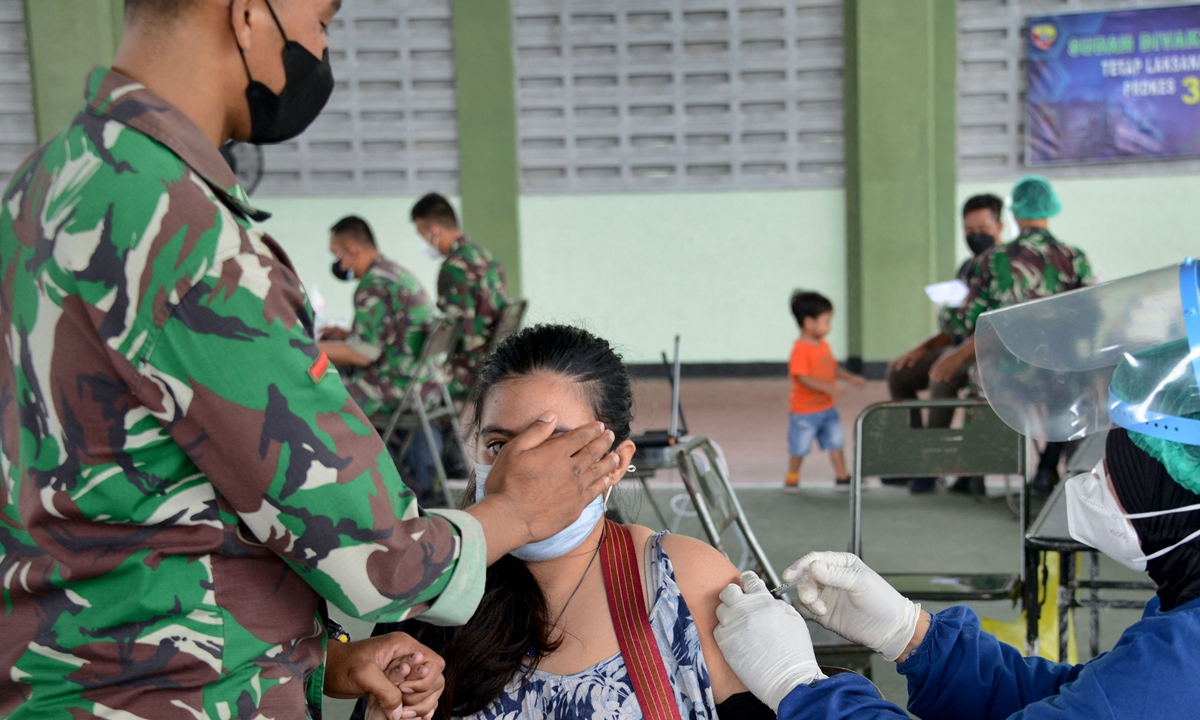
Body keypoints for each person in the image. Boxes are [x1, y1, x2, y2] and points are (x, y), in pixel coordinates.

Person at [0, 2, 624, 717]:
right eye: (322, 20)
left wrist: (318, 661)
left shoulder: (37, 193)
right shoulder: (183, 232)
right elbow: (379, 562)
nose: (323, 46)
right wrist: (513, 511)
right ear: (246, 14)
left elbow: (122, 503)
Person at [712, 262, 1200, 719]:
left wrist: (799, 688)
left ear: (1174, 492)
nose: (1093, 477)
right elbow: (1077, 694)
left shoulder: (1178, 668)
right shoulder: (1177, 632)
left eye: (1117, 462)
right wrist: (914, 636)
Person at [365, 324, 775, 719]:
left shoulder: (684, 584)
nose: (520, 472)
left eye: (555, 445)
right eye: (499, 446)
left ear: (616, 463)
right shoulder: (428, 586)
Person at [941, 176, 1093, 497]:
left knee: (976, 384)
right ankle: (1047, 471)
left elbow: (965, 320)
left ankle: (976, 475)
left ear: (1014, 213)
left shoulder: (992, 260)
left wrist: (947, 312)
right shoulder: (1074, 256)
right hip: (1060, 372)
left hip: (1005, 375)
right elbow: (1093, 314)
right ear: (1050, 208)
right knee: (1066, 395)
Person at [887, 194, 1005, 495]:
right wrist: (922, 348)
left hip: (989, 353)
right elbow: (954, 324)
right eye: (968, 229)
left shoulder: (1007, 268)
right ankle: (916, 455)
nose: (974, 235)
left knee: (942, 377)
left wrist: (954, 356)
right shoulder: (967, 267)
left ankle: (934, 464)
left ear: (1000, 226)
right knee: (901, 372)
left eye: (982, 227)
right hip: (957, 347)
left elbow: (999, 328)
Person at [319, 215, 443, 501]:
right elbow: (392, 334)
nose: (336, 262)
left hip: (400, 388)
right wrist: (347, 333)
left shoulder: (372, 284)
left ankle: (350, 493)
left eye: (334, 253)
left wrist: (309, 346)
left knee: (322, 397)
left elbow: (361, 355)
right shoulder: (395, 273)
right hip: (427, 384)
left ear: (350, 249)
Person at [411, 193, 508, 403]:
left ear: (434, 230)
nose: (424, 243)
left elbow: (453, 334)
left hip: (469, 371)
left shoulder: (453, 267)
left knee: (418, 398)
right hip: (498, 365)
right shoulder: (488, 257)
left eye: (422, 235)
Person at [785, 291, 866, 491]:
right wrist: (829, 388)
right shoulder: (800, 350)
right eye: (826, 321)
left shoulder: (824, 346)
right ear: (809, 322)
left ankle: (842, 477)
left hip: (828, 409)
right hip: (804, 413)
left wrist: (851, 378)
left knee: (836, 442)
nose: (829, 326)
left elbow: (832, 368)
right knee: (799, 448)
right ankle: (792, 478)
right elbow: (802, 378)